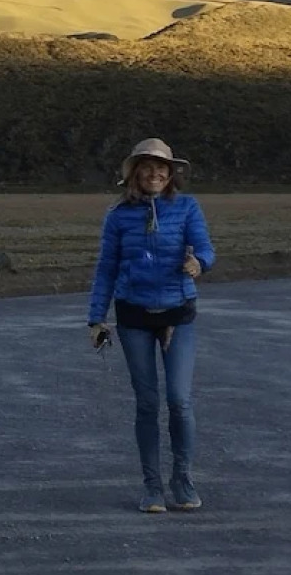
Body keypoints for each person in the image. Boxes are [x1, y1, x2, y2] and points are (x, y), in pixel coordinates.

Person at [87, 138, 216, 513]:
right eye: (148, 166)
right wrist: (96, 317)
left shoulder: (187, 207)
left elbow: (206, 249)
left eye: (163, 167)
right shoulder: (118, 215)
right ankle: (152, 487)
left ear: (171, 173)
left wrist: (199, 264)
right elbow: (106, 269)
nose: (156, 173)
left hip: (178, 313)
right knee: (147, 403)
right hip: (134, 316)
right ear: (135, 172)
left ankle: (183, 478)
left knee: (179, 399)